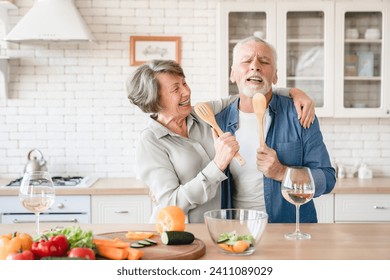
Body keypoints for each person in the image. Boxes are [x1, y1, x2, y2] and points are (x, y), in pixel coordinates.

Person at [126, 59, 315, 223]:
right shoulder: (151, 142)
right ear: (155, 100)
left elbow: (249, 94)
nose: (186, 92)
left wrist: (294, 92)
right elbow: (171, 203)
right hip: (178, 234)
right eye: (176, 89)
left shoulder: (202, 114)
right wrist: (217, 165)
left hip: (217, 228)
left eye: (184, 83)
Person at [215, 36, 336, 223]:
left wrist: (282, 172)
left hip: (289, 231)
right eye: (246, 60)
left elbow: (327, 179)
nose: (255, 66)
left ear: (275, 76)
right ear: (232, 74)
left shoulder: (300, 114)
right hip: (235, 232)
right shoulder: (217, 121)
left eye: (264, 61)